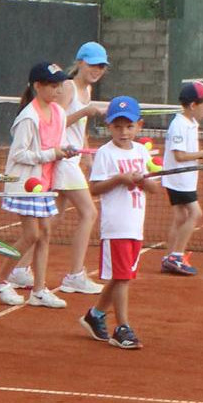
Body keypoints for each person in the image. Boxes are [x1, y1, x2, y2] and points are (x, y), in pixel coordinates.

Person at [0, 62, 81, 308]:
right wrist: (52, 154)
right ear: (37, 86)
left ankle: (39, 290)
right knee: (32, 234)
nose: (58, 90)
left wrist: (64, 151)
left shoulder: (59, 113)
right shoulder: (28, 117)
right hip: (25, 184)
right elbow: (19, 154)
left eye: (60, 85)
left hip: (46, 183)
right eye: (52, 85)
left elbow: (58, 143)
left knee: (45, 233)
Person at [80, 95, 159, 349]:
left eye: (129, 126)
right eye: (117, 126)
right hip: (116, 226)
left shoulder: (140, 151)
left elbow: (153, 188)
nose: (123, 132)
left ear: (139, 125)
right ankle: (122, 327)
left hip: (135, 225)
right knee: (123, 277)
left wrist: (142, 181)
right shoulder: (105, 153)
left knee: (120, 275)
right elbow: (95, 188)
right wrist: (120, 179)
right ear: (108, 126)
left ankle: (96, 315)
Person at [47, 40, 111, 298]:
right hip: (61, 158)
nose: (98, 70)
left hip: (73, 159)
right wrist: (86, 111)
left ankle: (19, 267)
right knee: (89, 212)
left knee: (54, 218)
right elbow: (55, 123)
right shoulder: (68, 87)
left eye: (102, 67)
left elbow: (79, 128)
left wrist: (87, 156)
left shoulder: (87, 91)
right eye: (94, 65)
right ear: (81, 63)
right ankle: (75, 275)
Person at [160, 80, 203, 275]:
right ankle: (177, 256)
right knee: (195, 213)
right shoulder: (179, 125)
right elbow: (179, 155)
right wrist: (202, 154)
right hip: (179, 178)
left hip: (184, 178)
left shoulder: (191, 123)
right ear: (193, 105)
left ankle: (169, 257)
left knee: (180, 216)